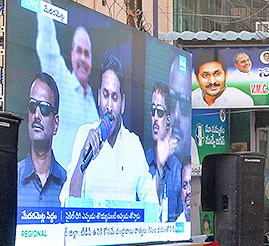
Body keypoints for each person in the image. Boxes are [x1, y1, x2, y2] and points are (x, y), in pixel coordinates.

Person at [62, 54, 157, 206]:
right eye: (105, 95)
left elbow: (152, 203)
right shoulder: (84, 134)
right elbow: (68, 202)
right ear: (99, 97)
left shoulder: (133, 144)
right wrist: (83, 158)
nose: (109, 106)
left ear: (123, 104)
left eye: (114, 97)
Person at [35, 0, 98, 161]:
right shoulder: (61, 81)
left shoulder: (95, 100)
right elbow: (47, 43)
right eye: (79, 51)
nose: (83, 59)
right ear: (71, 55)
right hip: (60, 184)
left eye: (87, 53)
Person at [17, 73, 67, 208]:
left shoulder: (67, 183)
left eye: (44, 107)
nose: (37, 116)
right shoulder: (11, 179)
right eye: (32, 105)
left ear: (56, 124)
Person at [144, 83, 184, 223]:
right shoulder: (141, 163)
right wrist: (159, 164)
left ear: (168, 119)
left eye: (160, 112)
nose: (155, 117)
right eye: (152, 111)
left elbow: (182, 219)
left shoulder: (177, 169)